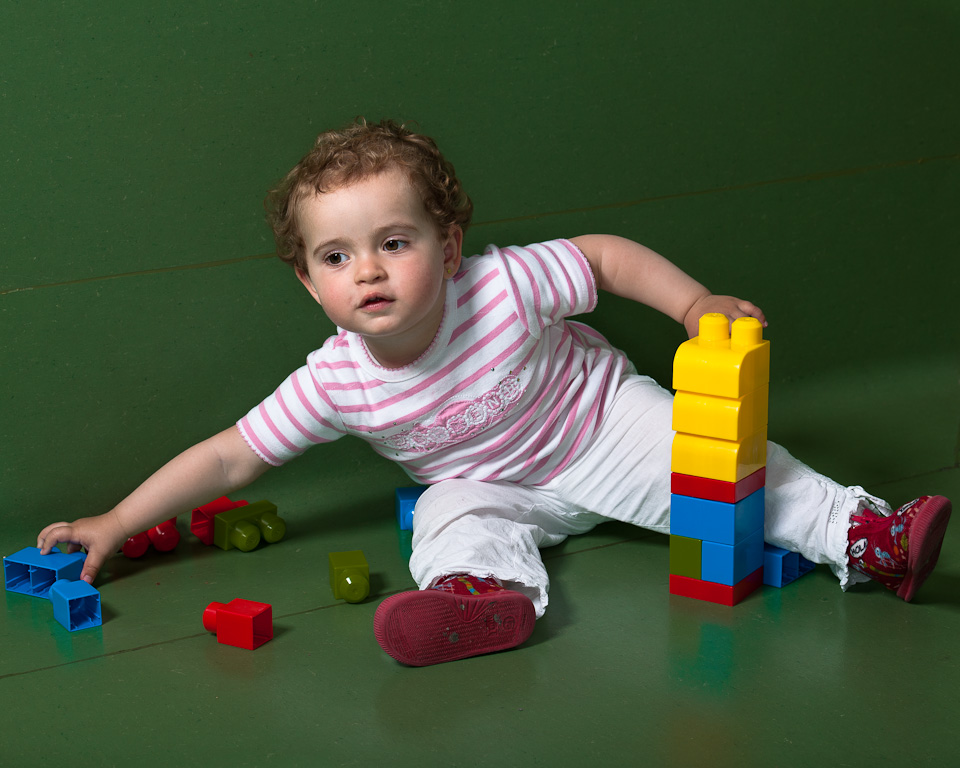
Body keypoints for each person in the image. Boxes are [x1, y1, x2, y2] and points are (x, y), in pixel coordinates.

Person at [38, 119, 952, 667]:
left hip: (601, 427)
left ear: (448, 243)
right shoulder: (335, 381)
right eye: (335, 257)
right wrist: (119, 522)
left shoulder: (506, 285)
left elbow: (602, 257)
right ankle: (484, 594)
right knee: (448, 511)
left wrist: (692, 302)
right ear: (308, 284)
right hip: (503, 484)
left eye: (394, 241)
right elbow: (231, 451)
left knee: (727, 464)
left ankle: (865, 534)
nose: (368, 271)